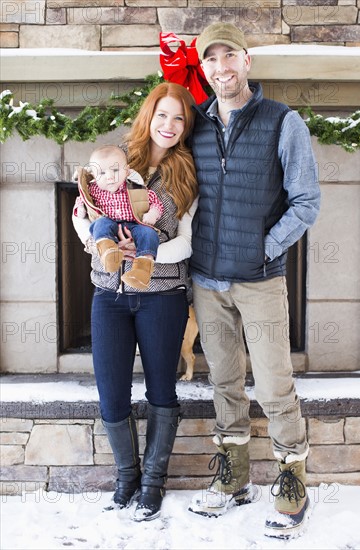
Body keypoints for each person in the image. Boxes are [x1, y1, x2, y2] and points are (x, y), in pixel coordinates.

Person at [187, 22, 321, 540]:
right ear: (204, 71)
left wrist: (263, 247)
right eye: (211, 60)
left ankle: (291, 482)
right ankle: (233, 476)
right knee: (223, 381)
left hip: (261, 280)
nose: (220, 68)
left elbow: (306, 201)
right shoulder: (195, 125)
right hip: (207, 280)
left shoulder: (282, 122)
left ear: (248, 62)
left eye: (229, 57)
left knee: (273, 384)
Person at [72, 82, 198, 521]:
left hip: (162, 295)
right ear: (149, 117)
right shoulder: (113, 162)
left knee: (162, 389)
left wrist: (144, 254)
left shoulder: (187, 174)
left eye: (179, 118)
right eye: (162, 115)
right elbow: (79, 214)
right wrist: (98, 245)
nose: (169, 125)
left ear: (186, 127)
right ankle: (127, 476)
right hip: (109, 295)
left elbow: (187, 243)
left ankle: (153, 480)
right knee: (111, 393)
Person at [74, 145, 163, 289]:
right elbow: (82, 201)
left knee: (149, 233)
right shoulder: (93, 190)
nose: (109, 177)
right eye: (101, 173)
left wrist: (153, 213)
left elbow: (154, 202)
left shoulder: (135, 187)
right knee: (100, 224)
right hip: (109, 224)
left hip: (134, 224)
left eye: (115, 170)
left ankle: (141, 270)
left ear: (126, 171)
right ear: (94, 176)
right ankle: (108, 251)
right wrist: (80, 210)